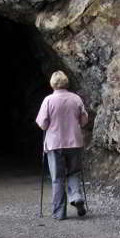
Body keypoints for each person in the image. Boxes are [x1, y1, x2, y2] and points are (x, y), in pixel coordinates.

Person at [35, 71, 88, 220]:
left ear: (52, 83)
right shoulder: (76, 99)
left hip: (55, 144)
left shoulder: (48, 100)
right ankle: (76, 196)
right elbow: (84, 121)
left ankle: (59, 213)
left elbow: (43, 124)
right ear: (66, 82)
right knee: (74, 172)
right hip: (74, 142)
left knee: (57, 178)